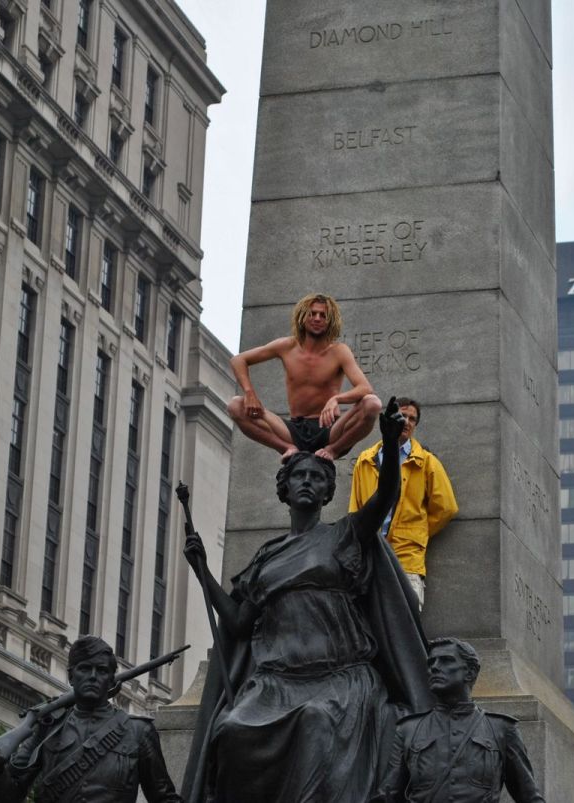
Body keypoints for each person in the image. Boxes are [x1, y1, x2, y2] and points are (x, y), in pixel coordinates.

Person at [182, 399, 432, 802]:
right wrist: (203, 572)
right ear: (284, 489)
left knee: (316, 722)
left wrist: (388, 443)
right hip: (276, 682)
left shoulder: (345, 535)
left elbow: (385, 496)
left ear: (327, 491)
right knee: (230, 730)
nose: (307, 482)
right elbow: (239, 623)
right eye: (299, 476)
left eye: (316, 478)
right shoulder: (267, 557)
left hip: (338, 678)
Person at [0, 636, 181, 803]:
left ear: (112, 681)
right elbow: (8, 797)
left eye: (101, 671)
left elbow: (163, 798)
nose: (93, 676)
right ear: (71, 676)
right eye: (84, 668)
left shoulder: (138, 731)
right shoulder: (47, 728)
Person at [372, 637, 545, 803]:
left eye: (446, 661)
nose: (434, 668)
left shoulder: (502, 729)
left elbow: (529, 797)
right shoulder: (408, 730)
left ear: (470, 672)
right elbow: (388, 795)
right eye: (431, 663)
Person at [228, 293, 381, 460]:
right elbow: (238, 360)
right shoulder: (287, 346)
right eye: (312, 313)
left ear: (330, 321)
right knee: (236, 405)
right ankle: (286, 448)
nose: (317, 318)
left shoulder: (339, 351)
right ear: (302, 317)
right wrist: (250, 393)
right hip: (293, 429)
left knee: (372, 403)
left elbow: (365, 388)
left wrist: (336, 399)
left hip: (329, 430)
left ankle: (333, 450)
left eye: (323, 315)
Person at [349, 397, 458, 610]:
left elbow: (446, 507)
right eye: (402, 416)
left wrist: (417, 533)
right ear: (390, 419)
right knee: (365, 620)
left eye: (412, 419)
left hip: (407, 558)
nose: (406, 422)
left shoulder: (426, 461)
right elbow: (356, 509)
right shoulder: (365, 460)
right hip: (370, 556)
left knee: (405, 620)